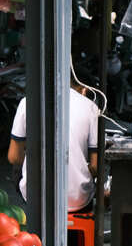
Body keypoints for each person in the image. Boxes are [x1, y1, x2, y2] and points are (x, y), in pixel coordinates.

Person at [8, 78, 99, 212]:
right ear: (83, 89)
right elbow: (95, 166)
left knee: (19, 167)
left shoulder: (27, 102)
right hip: (78, 199)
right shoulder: (90, 106)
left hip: (35, 195)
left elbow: (14, 157)